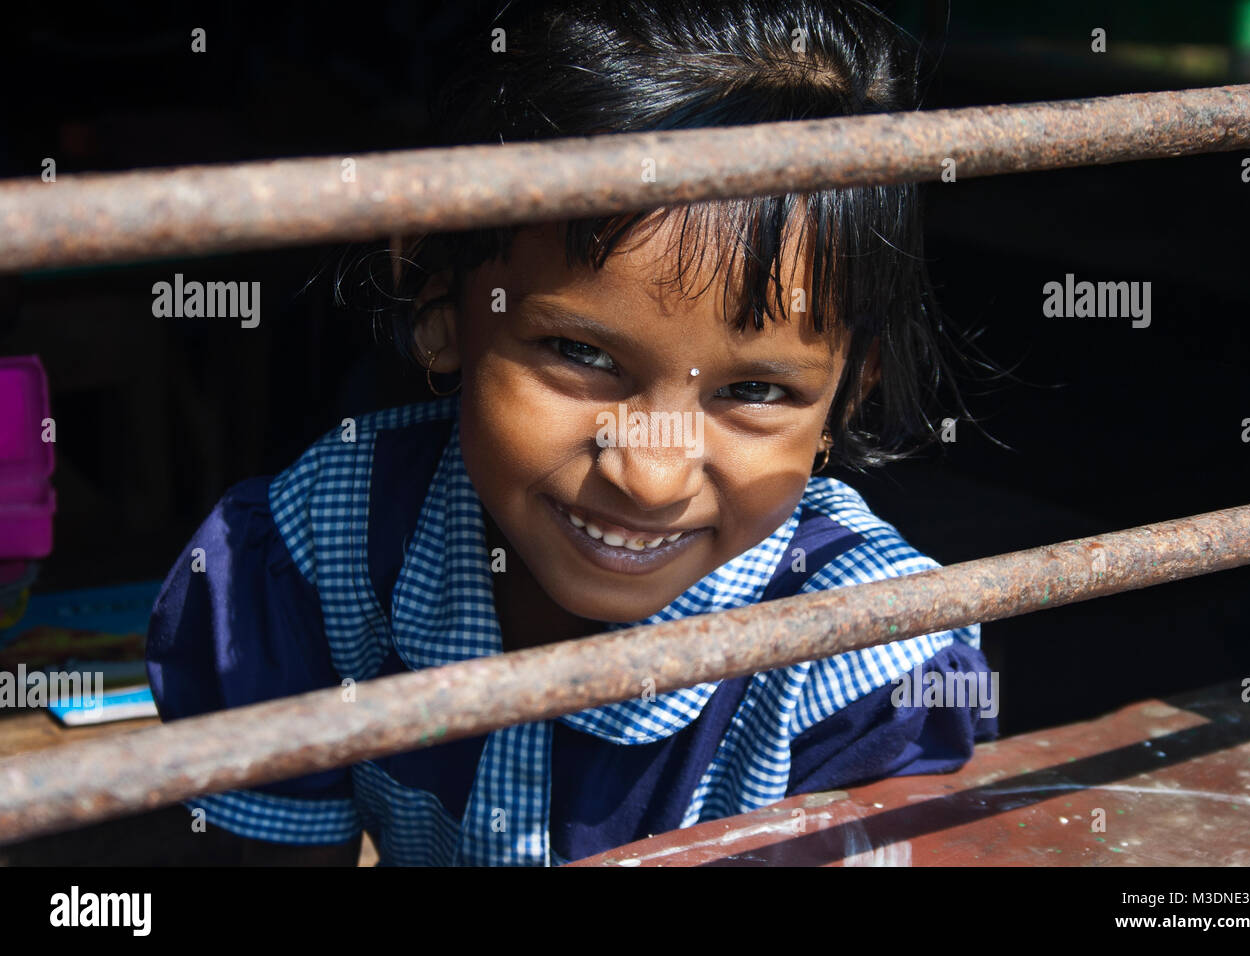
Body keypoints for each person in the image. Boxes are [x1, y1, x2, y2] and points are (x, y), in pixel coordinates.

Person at [147, 0, 997, 866]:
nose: (651, 480)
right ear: (441, 309)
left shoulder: (870, 649)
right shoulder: (316, 544)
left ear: (851, 392)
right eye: (581, 353)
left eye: (754, 389)